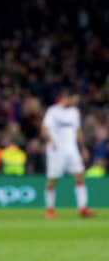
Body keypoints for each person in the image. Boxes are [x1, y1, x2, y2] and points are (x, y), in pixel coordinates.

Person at [42, 89, 96, 219]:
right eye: (74, 98)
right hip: (56, 150)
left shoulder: (74, 112)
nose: (76, 101)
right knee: (52, 179)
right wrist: (50, 141)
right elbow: (44, 128)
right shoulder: (53, 111)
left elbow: (78, 131)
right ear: (66, 98)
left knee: (79, 175)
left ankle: (82, 208)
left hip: (71, 150)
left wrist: (82, 148)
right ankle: (49, 209)